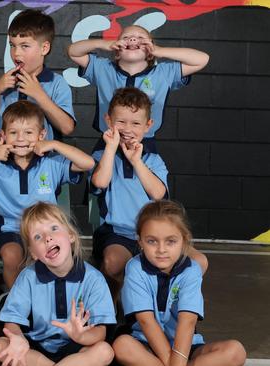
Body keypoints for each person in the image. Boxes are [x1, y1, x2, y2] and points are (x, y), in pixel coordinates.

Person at [0, 100, 94, 291]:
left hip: (44, 230)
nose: (20, 139)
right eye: (13, 133)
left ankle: (48, 303)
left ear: (41, 135)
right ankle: (17, 307)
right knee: (12, 255)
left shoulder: (50, 162)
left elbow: (88, 163)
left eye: (28, 133)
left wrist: (54, 144)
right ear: (3, 135)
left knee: (59, 254)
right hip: (6, 229)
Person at [89, 87, 207, 300]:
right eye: (121, 122)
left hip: (154, 235)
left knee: (199, 261)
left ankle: (164, 303)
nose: (127, 128)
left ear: (148, 126)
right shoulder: (101, 155)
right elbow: (100, 181)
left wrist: (136, 160)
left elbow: (158, 193)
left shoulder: (153, 160)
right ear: (108, 120)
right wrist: (110, 148)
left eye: (135, 123)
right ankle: (118, 310)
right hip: (119, 234)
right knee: (113, 262)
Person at [113, 200, 246, 366]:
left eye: (170, 241)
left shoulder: (191, 270)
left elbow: (188, 321)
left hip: (184, 345)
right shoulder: (135, 268)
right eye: (152, 241)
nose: (161, 249)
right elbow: (146, 321)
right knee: (122, 346)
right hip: (146, 343)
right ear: (140, 241)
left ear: (184, 241)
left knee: (236, 351)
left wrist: (178, 361)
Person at [0, 202, 115, 365]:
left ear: (70, 235)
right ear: (34, 253)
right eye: (37, 236)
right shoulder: (28, 277)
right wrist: (19, 339)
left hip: (77, 347)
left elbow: (100, 331)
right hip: (37, 348)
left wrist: (81, 336)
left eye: (54, 228)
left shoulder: (94, 279)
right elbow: (12, 321)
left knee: (104, 351)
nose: (47, 238)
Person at [67, 24, 209, 141]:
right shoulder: (103, 69)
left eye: (141, 39)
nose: (133, 39)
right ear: (117, 51)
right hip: (108, 140)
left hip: (145, 144)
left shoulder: (164, 73)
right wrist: (104, 43)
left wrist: (160, 50)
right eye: (126, 37)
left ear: (150, 51)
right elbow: (73, 52)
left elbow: (202, 59)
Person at [0, 9, 75, 140]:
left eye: (24, 46)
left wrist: (39, 95)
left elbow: (67, 128)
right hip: (3, 157)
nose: (16, 53)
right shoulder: (6, 82)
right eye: (12, 45)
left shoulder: (56, 83)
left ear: (44, 48)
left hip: (42, 158)